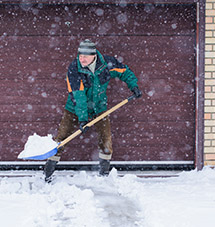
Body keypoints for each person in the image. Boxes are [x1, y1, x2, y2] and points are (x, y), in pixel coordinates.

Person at [44, 39, 142, 182]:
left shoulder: (106, 65)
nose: (81, 59)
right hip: (74, 108)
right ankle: (48, 172)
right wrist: (82, 119)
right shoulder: (74, 69)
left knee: (106, 138)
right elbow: (78, 96)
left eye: (85, 56)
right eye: (80, 56)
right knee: (62, 138)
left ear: (93, 55)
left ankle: (104, 175)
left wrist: (133, 86)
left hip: (99, 108)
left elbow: (124, 71)